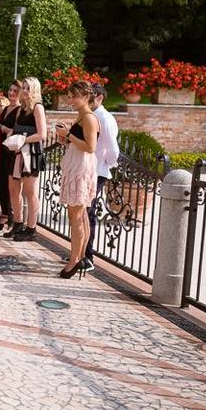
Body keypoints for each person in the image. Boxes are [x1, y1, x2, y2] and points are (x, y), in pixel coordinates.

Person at [55, 81, 101, 279]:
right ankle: (78, 256)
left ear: (85, 96)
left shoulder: (89, 118)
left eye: (73, 96)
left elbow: (91, 147)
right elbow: (79, 143)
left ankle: (76, 259)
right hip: (76, 165)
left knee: (77, 216)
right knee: (78, 215)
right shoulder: (81, 116)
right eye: (69, 96)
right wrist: (65, 138)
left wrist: (69, 136)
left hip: (81, 169)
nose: (70, 100)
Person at [5, 77, 47, 242]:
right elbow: (16, 128)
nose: (24, 91)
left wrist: (23, 139)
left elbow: (42, 135)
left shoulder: (38, 107)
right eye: (23, 87)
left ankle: (31, 228)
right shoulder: (21, 108)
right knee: (13, 189)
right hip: (17, 152)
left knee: (30, 192)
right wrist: (12, 135)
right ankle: (18, 223)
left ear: (35, 90)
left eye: (28, 88)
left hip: (31, 152)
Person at [84, 83, 120, 271]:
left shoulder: (104, 118)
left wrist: (106, 164)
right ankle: (80, 251)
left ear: (99, 97)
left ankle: (88, 256)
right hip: (87, 169)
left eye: (90, 95)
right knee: (82, 212)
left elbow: (113, 149)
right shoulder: (91, 115)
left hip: (96, 171)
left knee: (88, 212)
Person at [0, 81, 22, 231]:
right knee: (0, 182)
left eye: (15, 91)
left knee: (9, 185)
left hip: (11, 150)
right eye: (10, 90)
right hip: (1, 149)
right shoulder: (7, 108)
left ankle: (9, 215)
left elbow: (14, 131)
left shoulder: (19, 109)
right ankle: (5, 212)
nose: (12, 93)